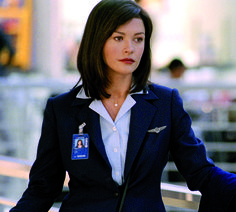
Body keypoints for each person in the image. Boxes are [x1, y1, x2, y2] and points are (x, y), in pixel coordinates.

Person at [10, 0, 236, 211]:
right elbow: (43, 187)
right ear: (97, 41)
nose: (130, 48)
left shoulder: (165, 103)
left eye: (138, 39)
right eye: (119, 38)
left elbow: (201, 172)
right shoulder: (62, 109)